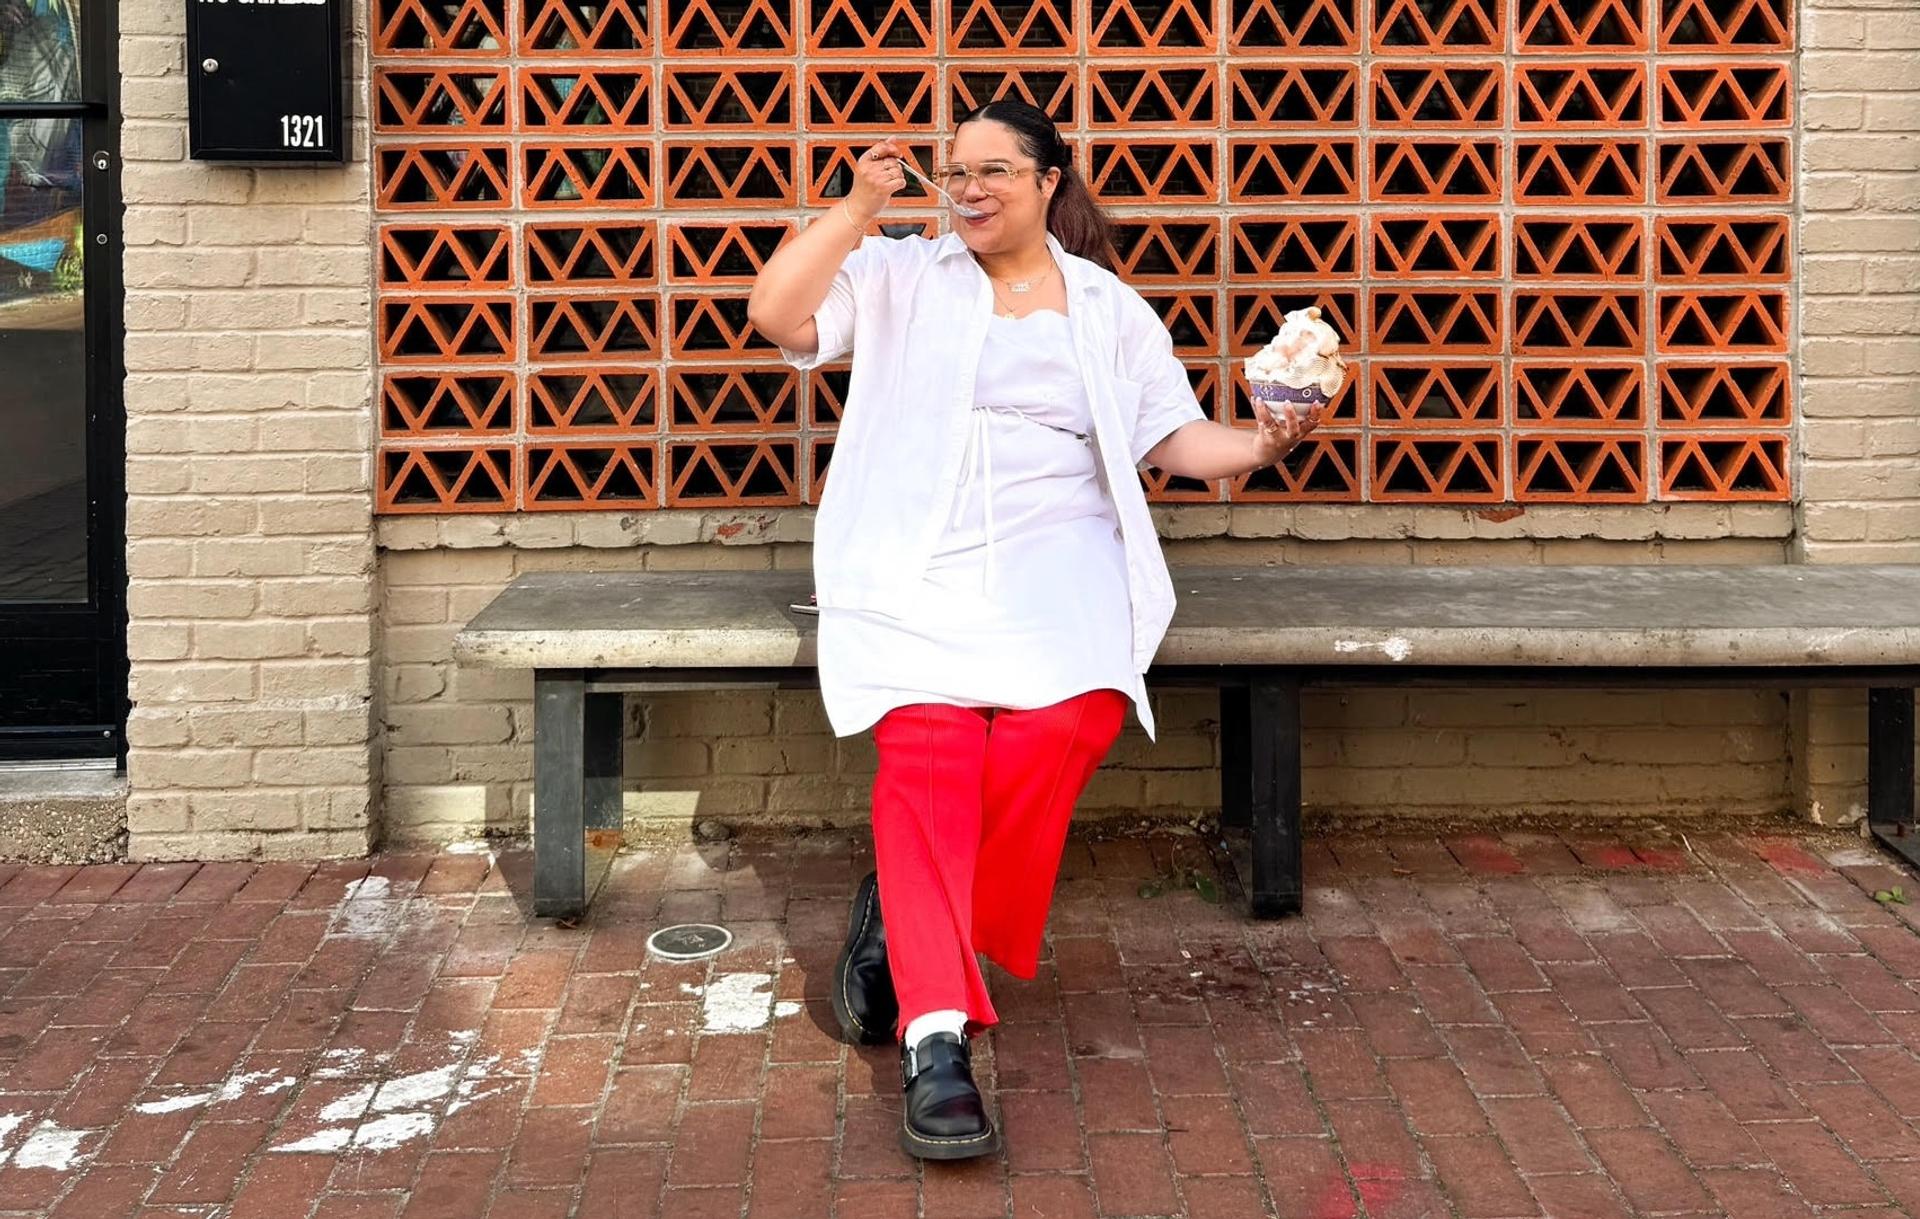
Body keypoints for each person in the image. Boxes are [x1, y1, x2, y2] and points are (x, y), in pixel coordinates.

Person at [746, 100, 1327, 1161]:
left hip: (1059, 567)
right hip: (915, 559)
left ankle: (911, 910)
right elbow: (776, 314)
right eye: (955, 169)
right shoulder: (899, 275)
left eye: (997, 170)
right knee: (928, 753)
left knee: (1071, 721)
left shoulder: (1106, 308)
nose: (969, 187)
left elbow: (1175, 440)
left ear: (1049, 181)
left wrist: (1264, 443)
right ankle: (937, 1039)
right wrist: (859, 207)